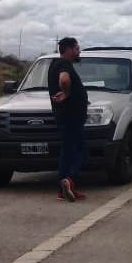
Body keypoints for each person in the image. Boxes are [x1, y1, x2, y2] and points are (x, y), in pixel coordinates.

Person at [48, 37, 89, 202]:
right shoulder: (64, 64)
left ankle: (63, 189)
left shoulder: (54, 65)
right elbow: (64, 79)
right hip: (71, 117)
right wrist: (67, 93)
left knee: (67, 151)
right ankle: (69, 180)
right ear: (70, 49)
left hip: (65, 116)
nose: (79, 52)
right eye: (77, 48)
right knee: (81, 151)